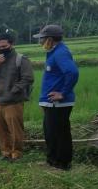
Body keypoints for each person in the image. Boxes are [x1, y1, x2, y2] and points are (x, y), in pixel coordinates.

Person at [32, 24, 79, 170]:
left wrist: (62, 93)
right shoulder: (54, 52)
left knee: (59, 133)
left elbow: (72, 73)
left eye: (42, 39)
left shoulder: (60, 53)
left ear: (50, 39)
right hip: (51, 103)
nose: (40, 42)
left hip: (58, 103)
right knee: (50, 132)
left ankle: (63, 163)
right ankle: (52, 161)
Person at [0, 33, 34, 162]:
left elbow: (28, 78)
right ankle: (5, 153)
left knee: (15, 130)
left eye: (4, 46)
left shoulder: (21, 59)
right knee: (1, 130)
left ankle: (16, 154)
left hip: (13, 102)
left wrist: (13, 91)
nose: (1, 48)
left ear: (11, 45)